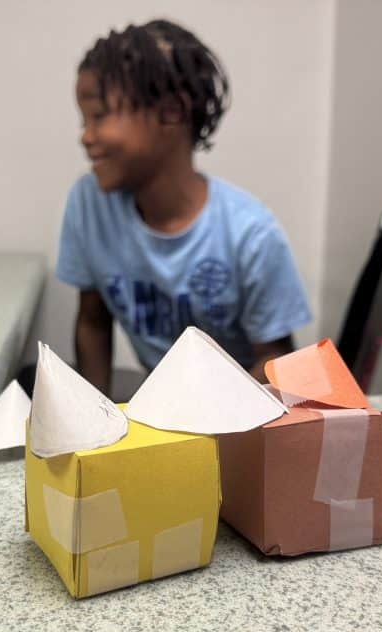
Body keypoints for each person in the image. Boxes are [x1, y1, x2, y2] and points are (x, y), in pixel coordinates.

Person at [55, 19, 312, 396]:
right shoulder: (89, 204)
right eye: (83, 120)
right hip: (159, 406)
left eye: (99, 115)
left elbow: (275, 360)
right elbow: (93, 322)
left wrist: (209, 419)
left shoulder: (250, 233)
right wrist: (93, 415)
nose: (86, 136)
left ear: (171, 111)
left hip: (236, 413)